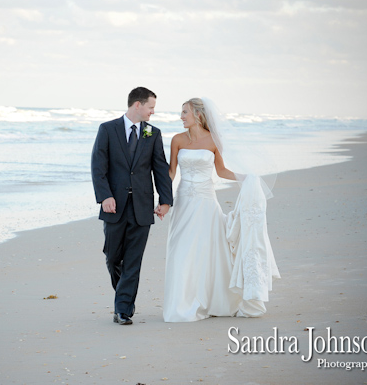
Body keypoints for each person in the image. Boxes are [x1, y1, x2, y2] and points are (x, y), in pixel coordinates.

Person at [163, 97, 280, 322]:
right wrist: (163, 199)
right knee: (180, 249)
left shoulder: (214, 140)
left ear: (198, 114)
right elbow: (171, 172)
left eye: (184, 112)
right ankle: (181, 303)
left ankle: (209, 300)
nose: (181, 117)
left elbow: (221, 171)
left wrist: (246, 178)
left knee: (207, 250)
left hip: (206, 202)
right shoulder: (177, 140)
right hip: (184, 201)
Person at [91, 87, 173, 325]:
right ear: (138, 105)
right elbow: (98, 166)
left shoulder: (152, 133)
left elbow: (160, 168)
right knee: (112, 257)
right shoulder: (107, 129)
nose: (152, 112)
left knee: (134, 260)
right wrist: (104, 196)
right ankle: (123, 297)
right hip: (113, 206)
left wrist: (165, 201)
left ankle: (123, 309)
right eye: (151, 107)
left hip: (142, 206)